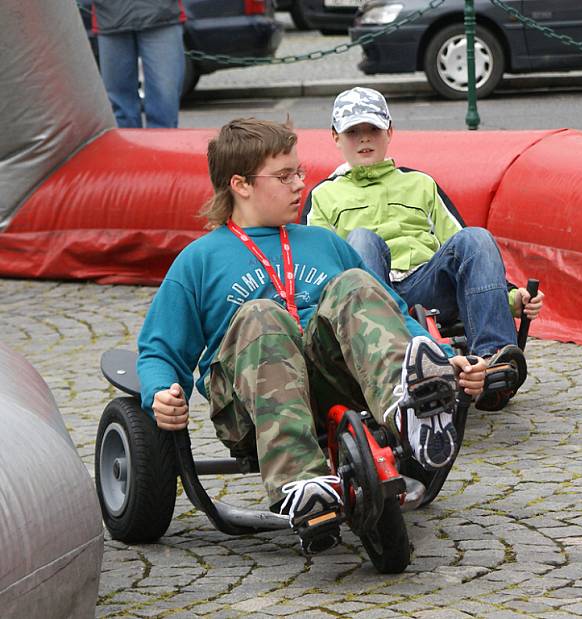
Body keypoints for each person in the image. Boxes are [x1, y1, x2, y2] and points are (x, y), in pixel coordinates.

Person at [137, 118, 486, 554]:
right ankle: (299, 482)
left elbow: (392, 315)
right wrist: (161, 394)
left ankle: (406, 407)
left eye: (299, 172)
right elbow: (158, 348)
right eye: (284, 176)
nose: (300, 183)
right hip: (254, 400)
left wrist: (443, 358)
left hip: (336, 380)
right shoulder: (200, 260)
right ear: (240, 184)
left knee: (355, 285)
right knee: (263, 314)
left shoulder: (322, 242)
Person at [302, 87, 545, 412]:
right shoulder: (323, 196)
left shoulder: (420, 184)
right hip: (369, 300)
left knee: (476, 236)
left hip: (425, 287)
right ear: (335, 137)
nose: (364, 139)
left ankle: (494, 365)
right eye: (353, 131)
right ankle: (387, 372)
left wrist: (513, 298)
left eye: (372, 129)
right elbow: (316, 268)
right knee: (362, 240)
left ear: (389, 131)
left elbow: (467, 250)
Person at [91, 0, 185, 128]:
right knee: (120, 109)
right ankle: (126, 147)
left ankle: (159, 147)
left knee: (165, 104)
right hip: (109, 17)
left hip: (162, 15)